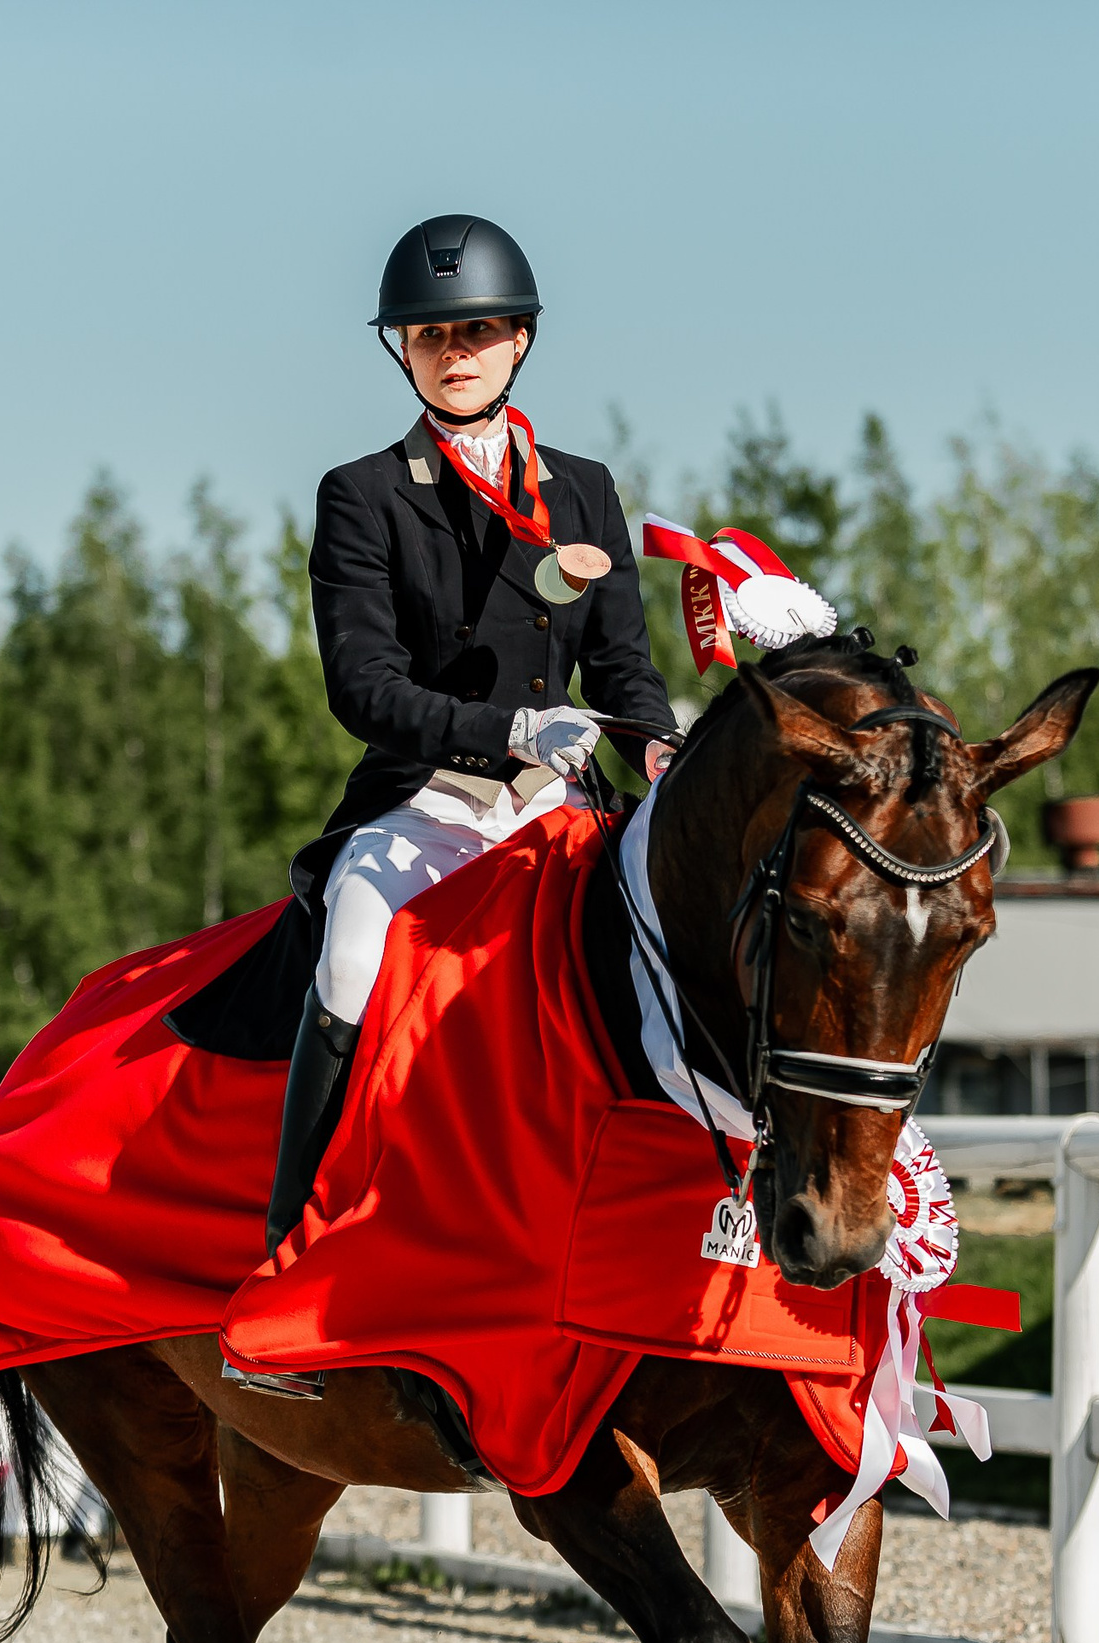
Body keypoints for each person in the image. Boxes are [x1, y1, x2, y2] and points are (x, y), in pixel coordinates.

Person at [261, 214, 677, 1267]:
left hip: (557, 806)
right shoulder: (362, 495)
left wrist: (659, 748)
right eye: (431, 334)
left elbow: (621, 666)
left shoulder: (583, 488)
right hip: (426, 801)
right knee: (353, 958)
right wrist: (511, 729)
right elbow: (363, 685)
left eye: (477, 330)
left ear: (519, 339)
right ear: (402, 349)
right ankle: (295, 1239)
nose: (455, 352)